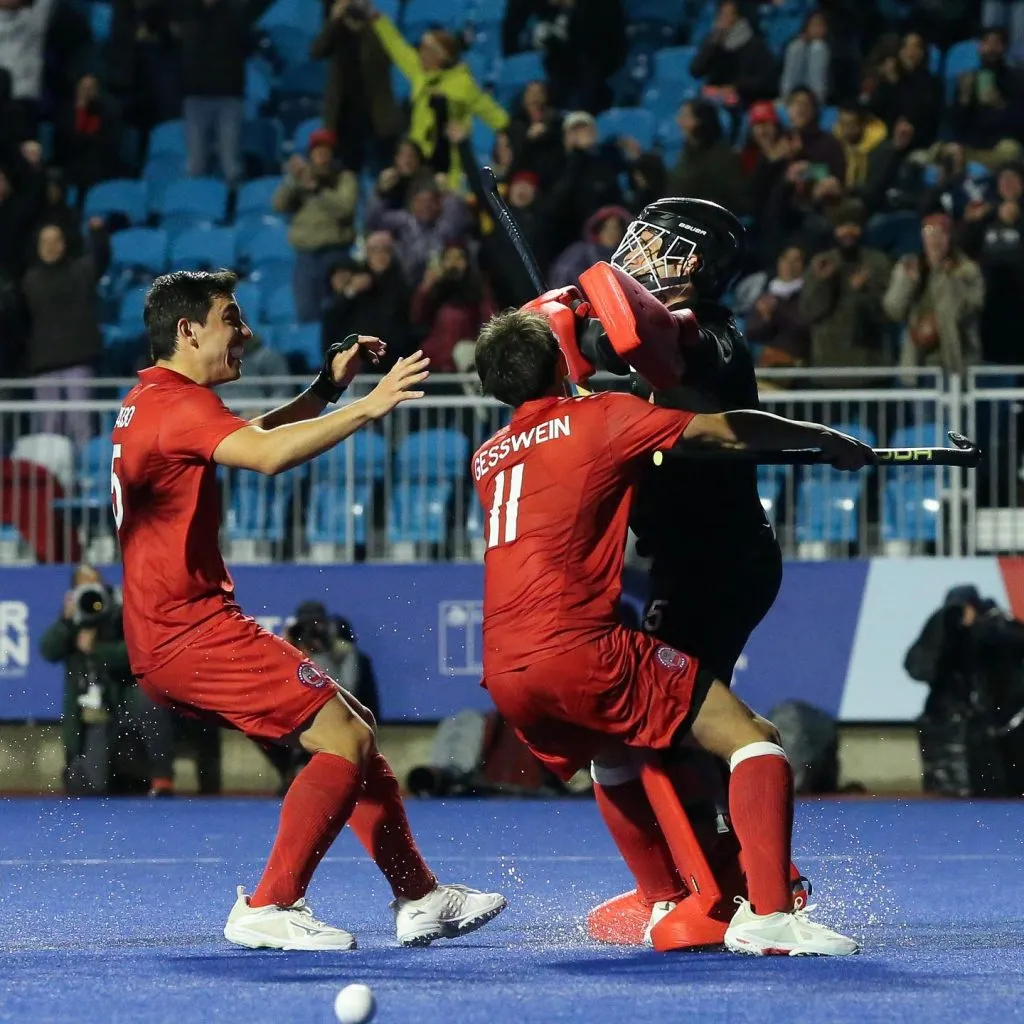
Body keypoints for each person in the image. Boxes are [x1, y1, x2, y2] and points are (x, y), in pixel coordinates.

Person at [112, 269, 505, 950]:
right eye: (231, 318)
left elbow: (239, 435)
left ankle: (418, 895)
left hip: (170, 635)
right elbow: (263, 456)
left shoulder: (156, 401)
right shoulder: (176, 406)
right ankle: (270, 904)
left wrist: (326, 392)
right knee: (342, 738)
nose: (247, 333)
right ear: (188, 330)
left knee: (352, 728)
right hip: (189, 633)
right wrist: (368, 407)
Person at [472, 300, 864, 955]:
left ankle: (663, 902)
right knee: (753, 740)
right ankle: (770, 917)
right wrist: (824, 441)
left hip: (506, 672)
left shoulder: (486, 458)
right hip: (581, 648)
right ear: (563, 363)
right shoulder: (601, 418)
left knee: (612, 757)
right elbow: (724, 431)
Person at [580, 199, 809, 944]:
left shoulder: (707, 334)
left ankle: (717, 894)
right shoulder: (671, 338)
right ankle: (712, 880)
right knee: (662, 728)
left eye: (654, 242)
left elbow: (639, 339)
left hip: (717, 563)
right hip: (688, 560)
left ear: (694, 263)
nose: (634, 249)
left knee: (663, 726)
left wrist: (580, 301)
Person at [39, 563, 176, 797]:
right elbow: (48, 651)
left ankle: (161, 777)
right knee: (92, 786)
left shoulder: (118, 614)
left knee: (150, 703)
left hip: (121, 704)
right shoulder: (71, 623)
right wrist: (66, 621)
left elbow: (137, 653)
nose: (91, 597)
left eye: (95, 586)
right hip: (93, 714)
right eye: (85, 590)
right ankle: (86, 771)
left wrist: (98, 648)